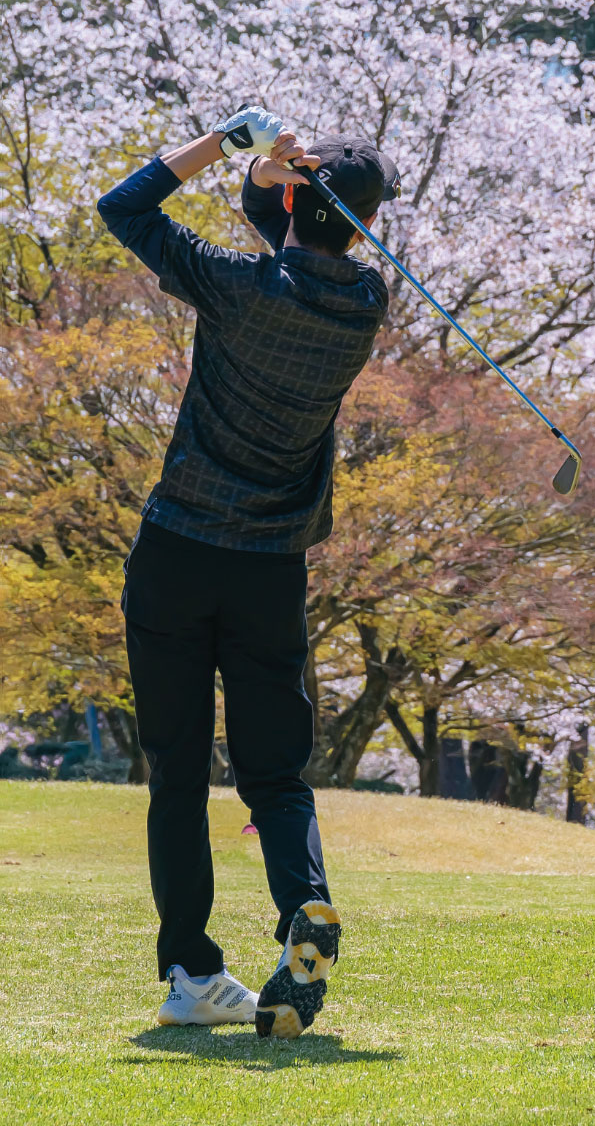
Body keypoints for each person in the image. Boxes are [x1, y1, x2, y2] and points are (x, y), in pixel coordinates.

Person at [97, 107, 400, 1038]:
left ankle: (191, 973)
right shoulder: (364, 305)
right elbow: (296, 240)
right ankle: (302, 903)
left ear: (303, 204)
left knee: (177, 774)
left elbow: (126, 207)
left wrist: (232, 146)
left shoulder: (237, 287)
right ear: (367, 223)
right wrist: (281, 185)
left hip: (178, 554)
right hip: (270, 570)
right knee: (276, 776)